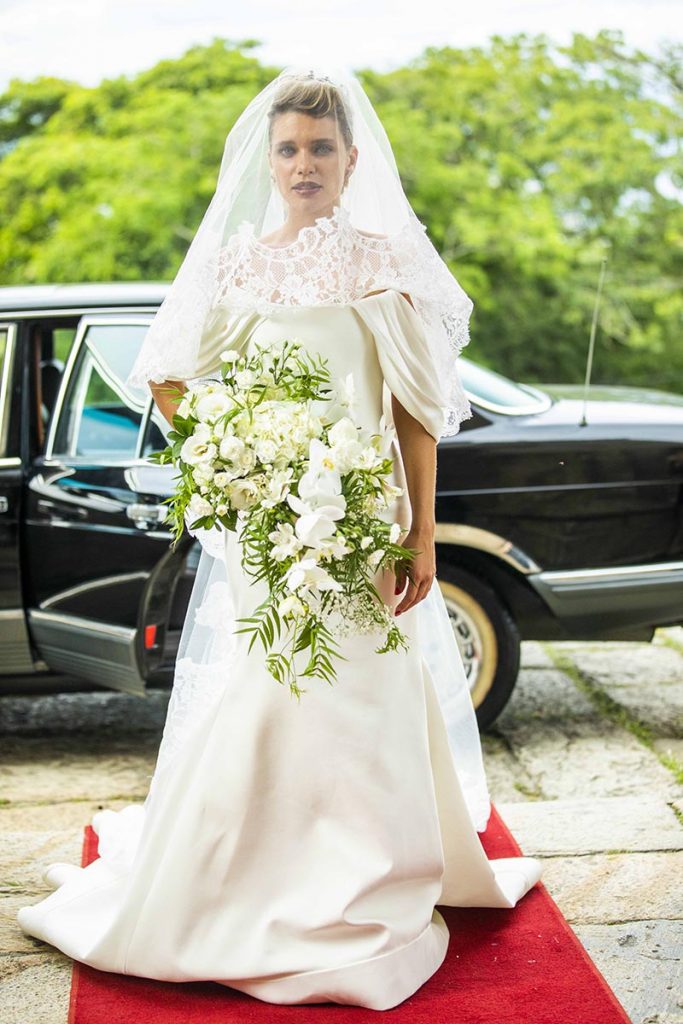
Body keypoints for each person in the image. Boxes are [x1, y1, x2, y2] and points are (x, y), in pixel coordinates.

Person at [16, 65, 543, 1011]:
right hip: (270, 531)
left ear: (351, 161)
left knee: (363, 699)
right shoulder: (234, 266)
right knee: (271, 697)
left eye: (321, 149)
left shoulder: (383, 266)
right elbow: (168, 379)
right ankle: (251, 872)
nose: (304, 163)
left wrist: (419, 536)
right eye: (289, 149)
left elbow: (412, 412)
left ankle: (364, 873)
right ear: (268, 160)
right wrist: (229, 458)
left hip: (361, 523)